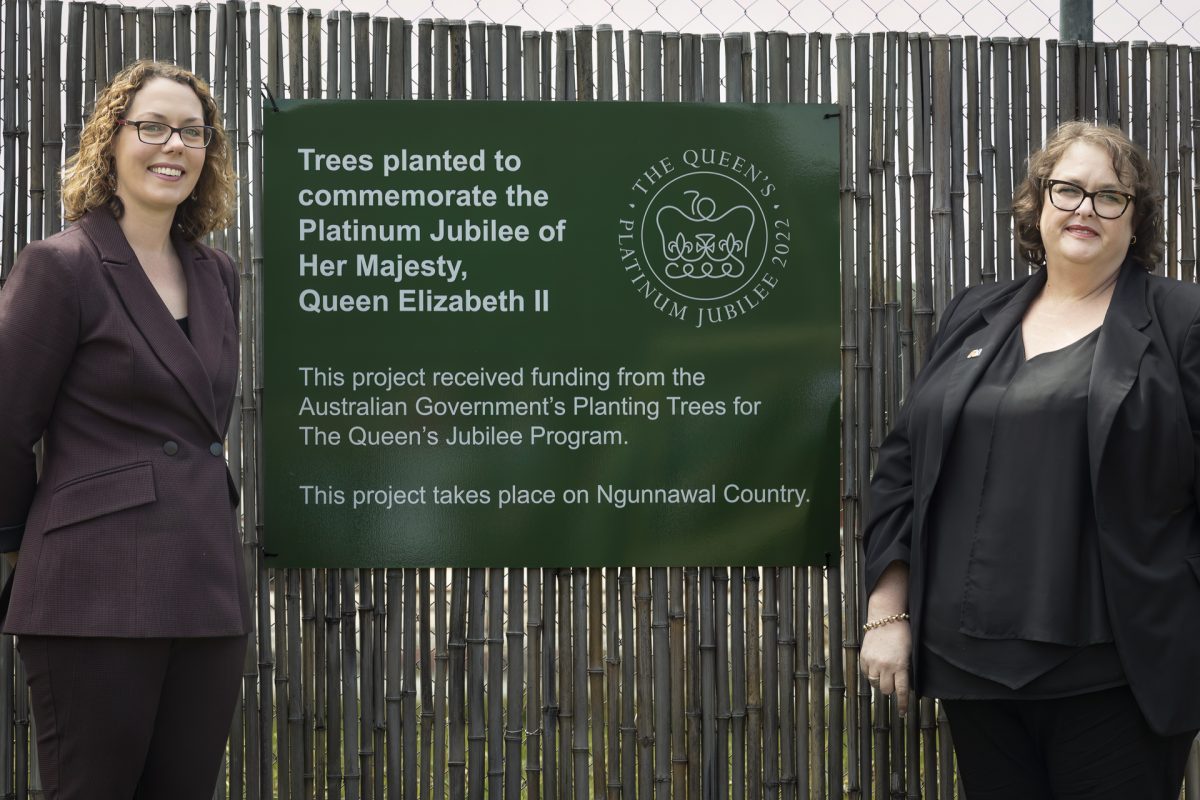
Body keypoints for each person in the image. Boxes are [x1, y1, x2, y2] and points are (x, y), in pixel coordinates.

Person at [861, 120, 1200, 799]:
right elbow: (904, 469)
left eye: (1111, 195)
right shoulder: (973, 314)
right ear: (1037, 203)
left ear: (1137, 219)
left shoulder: (1180, 321)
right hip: (971, 668)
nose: (1085, 208)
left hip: (1116, 674)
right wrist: (887, 612)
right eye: (1067, 189)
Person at [0, 60, 249, 798]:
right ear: (112, 142)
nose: (173, 145)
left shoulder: (216, 274)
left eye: (192, 132)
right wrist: (12, 544)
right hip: (93, 591)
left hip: (204, 592)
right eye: (153, 127)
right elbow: (6, 426)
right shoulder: (62, 265)